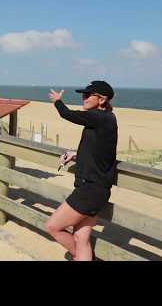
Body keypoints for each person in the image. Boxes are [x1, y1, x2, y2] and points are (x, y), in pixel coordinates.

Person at [45, 81, 117, 261]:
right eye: (83, 94)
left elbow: (67, 114)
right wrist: (76, 155)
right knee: (80, 237)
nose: (83, 98)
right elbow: (100, 152)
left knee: (53, 227)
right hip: (98, 190)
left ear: (102, 100)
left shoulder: (99, 117)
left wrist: (57, 101)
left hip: (89, 190)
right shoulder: (106, 120)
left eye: (88, 95)